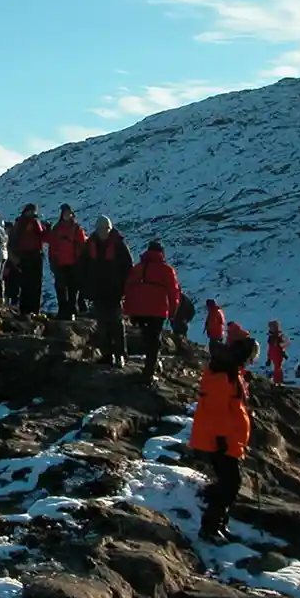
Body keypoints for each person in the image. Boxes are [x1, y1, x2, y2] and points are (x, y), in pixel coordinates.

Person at [191, 322, 259, 543]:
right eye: (250, 356)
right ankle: (209, 528)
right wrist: (221, 438)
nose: (251, 361)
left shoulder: (228, 369)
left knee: (228, 483)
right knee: (229, 484)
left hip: (228, 438)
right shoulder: (223, 373)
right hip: (220, 439)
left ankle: (218, 525)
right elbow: (216, 409)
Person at [122, 240, 181, 383]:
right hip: (157, 310)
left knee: (147, 337)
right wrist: (173, 312)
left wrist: (129, 310)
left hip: (139, 310)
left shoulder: (138, 268)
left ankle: (149, 367)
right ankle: (149, 371)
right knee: (154, 340)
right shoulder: (167, 270)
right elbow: (174, 293)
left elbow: (128, 289)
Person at [78, 216, 133, 366]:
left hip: (115, 291)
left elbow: (128, 268)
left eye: (106, 229)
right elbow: (83, 267)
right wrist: (86, 288)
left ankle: (120, 354)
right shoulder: (90, 244)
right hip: (98, 290)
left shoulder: (119, 245)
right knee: (102, 324)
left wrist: (123, 288)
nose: (104, 232)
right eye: (101, 229)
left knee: (116, 323)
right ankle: (107, 354)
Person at [47, 204, 88, 320]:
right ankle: (63, 310)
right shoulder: (57, 228)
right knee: (61, 288)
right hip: (60, 263)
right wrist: (52, 261)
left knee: (73, 289)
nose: (66, 215)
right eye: (64, 212)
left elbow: (82, 244)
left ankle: (71, 311)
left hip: (74, 263)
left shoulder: (76, 228)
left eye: (68, 212)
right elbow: (52, 245)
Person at [10, 204, 49, 315]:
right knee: (33, 283)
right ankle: (32, 309)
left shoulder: (21, 223)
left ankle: (27, 309)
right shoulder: (31, 223)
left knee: (29, 283)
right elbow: (42, 236)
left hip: (28, 256)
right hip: (32, 255)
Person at [2, 222, 20, 306]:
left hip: (12, 267)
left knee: (12, 287)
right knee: (9, 287)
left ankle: (11, 304)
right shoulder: (11, 240)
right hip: (9, 266)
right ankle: (10, 304)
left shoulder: (11, 241)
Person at [266, 320, 290, 385]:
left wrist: (283, 352)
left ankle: (278, 381)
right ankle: (278, 381)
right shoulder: (273, 337)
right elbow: (271, 348)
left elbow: (285, 344)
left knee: (277, 367)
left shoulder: (278, 336)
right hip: (275, 354)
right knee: (277, 367)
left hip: (277, 354)